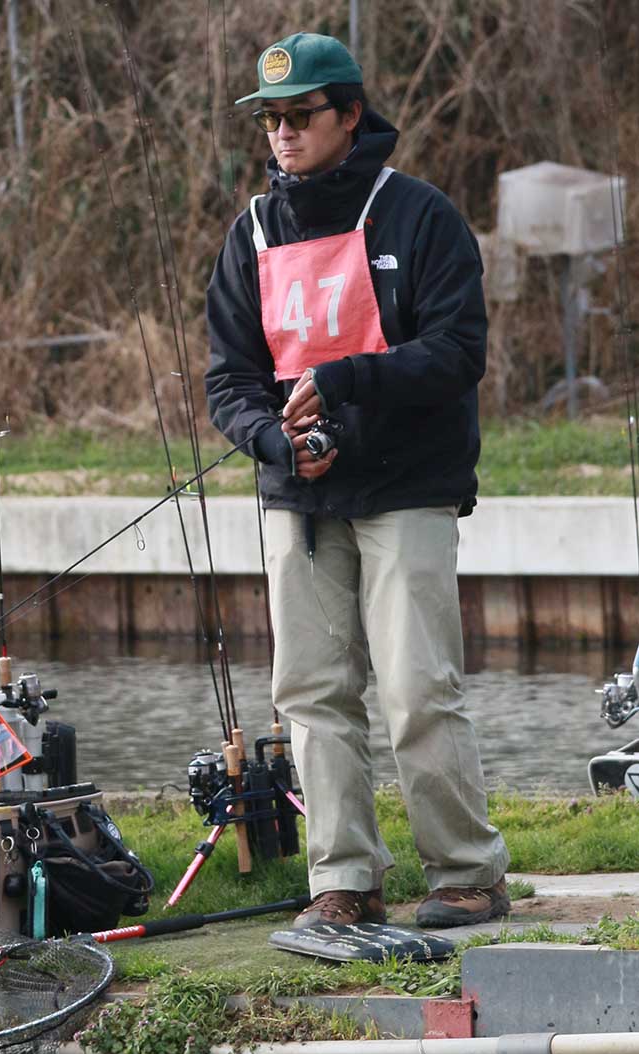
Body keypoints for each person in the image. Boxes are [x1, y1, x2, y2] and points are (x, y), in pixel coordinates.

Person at [205, 31, 510, 930]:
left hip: (407, 488)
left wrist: (346, 379)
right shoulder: (251, 232)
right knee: (309, 694)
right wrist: (273, 440)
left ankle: (467, 874)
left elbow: (458, 352)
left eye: (301, 115)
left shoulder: (420, 216)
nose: (283, 133)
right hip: (298, 499)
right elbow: (229, 379)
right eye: (270, 119)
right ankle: (343, 881)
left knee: (418, 689)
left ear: (349, 116)